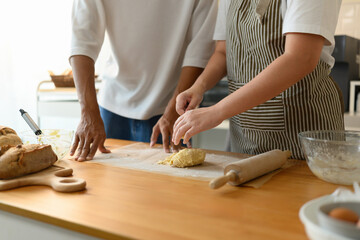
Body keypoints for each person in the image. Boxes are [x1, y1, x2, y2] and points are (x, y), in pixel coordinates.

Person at [172, 0, 345, 160]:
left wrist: (217, 111)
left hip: (303, 132)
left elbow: (301, 58)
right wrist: (198, 87)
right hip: (244, 136)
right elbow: (223, 52)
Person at [69, 0, 217, 161]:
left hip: (169, 113)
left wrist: (173, 110)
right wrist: (88, 112)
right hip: (109, 111)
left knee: (168, 185)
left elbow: (200, 50)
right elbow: (81, 42)